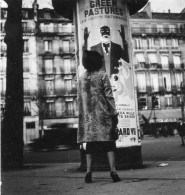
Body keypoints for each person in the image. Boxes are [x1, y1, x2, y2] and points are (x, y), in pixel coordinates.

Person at [77, 50, 121, 183]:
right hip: (103, 116)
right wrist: (114, 113)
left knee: (89, 146)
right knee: (109, 143)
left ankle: (88, 172)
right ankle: (113, 171)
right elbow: (109, 96)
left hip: (89, 119)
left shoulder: (82, 78)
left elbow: (80, 99)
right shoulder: (102, 75)